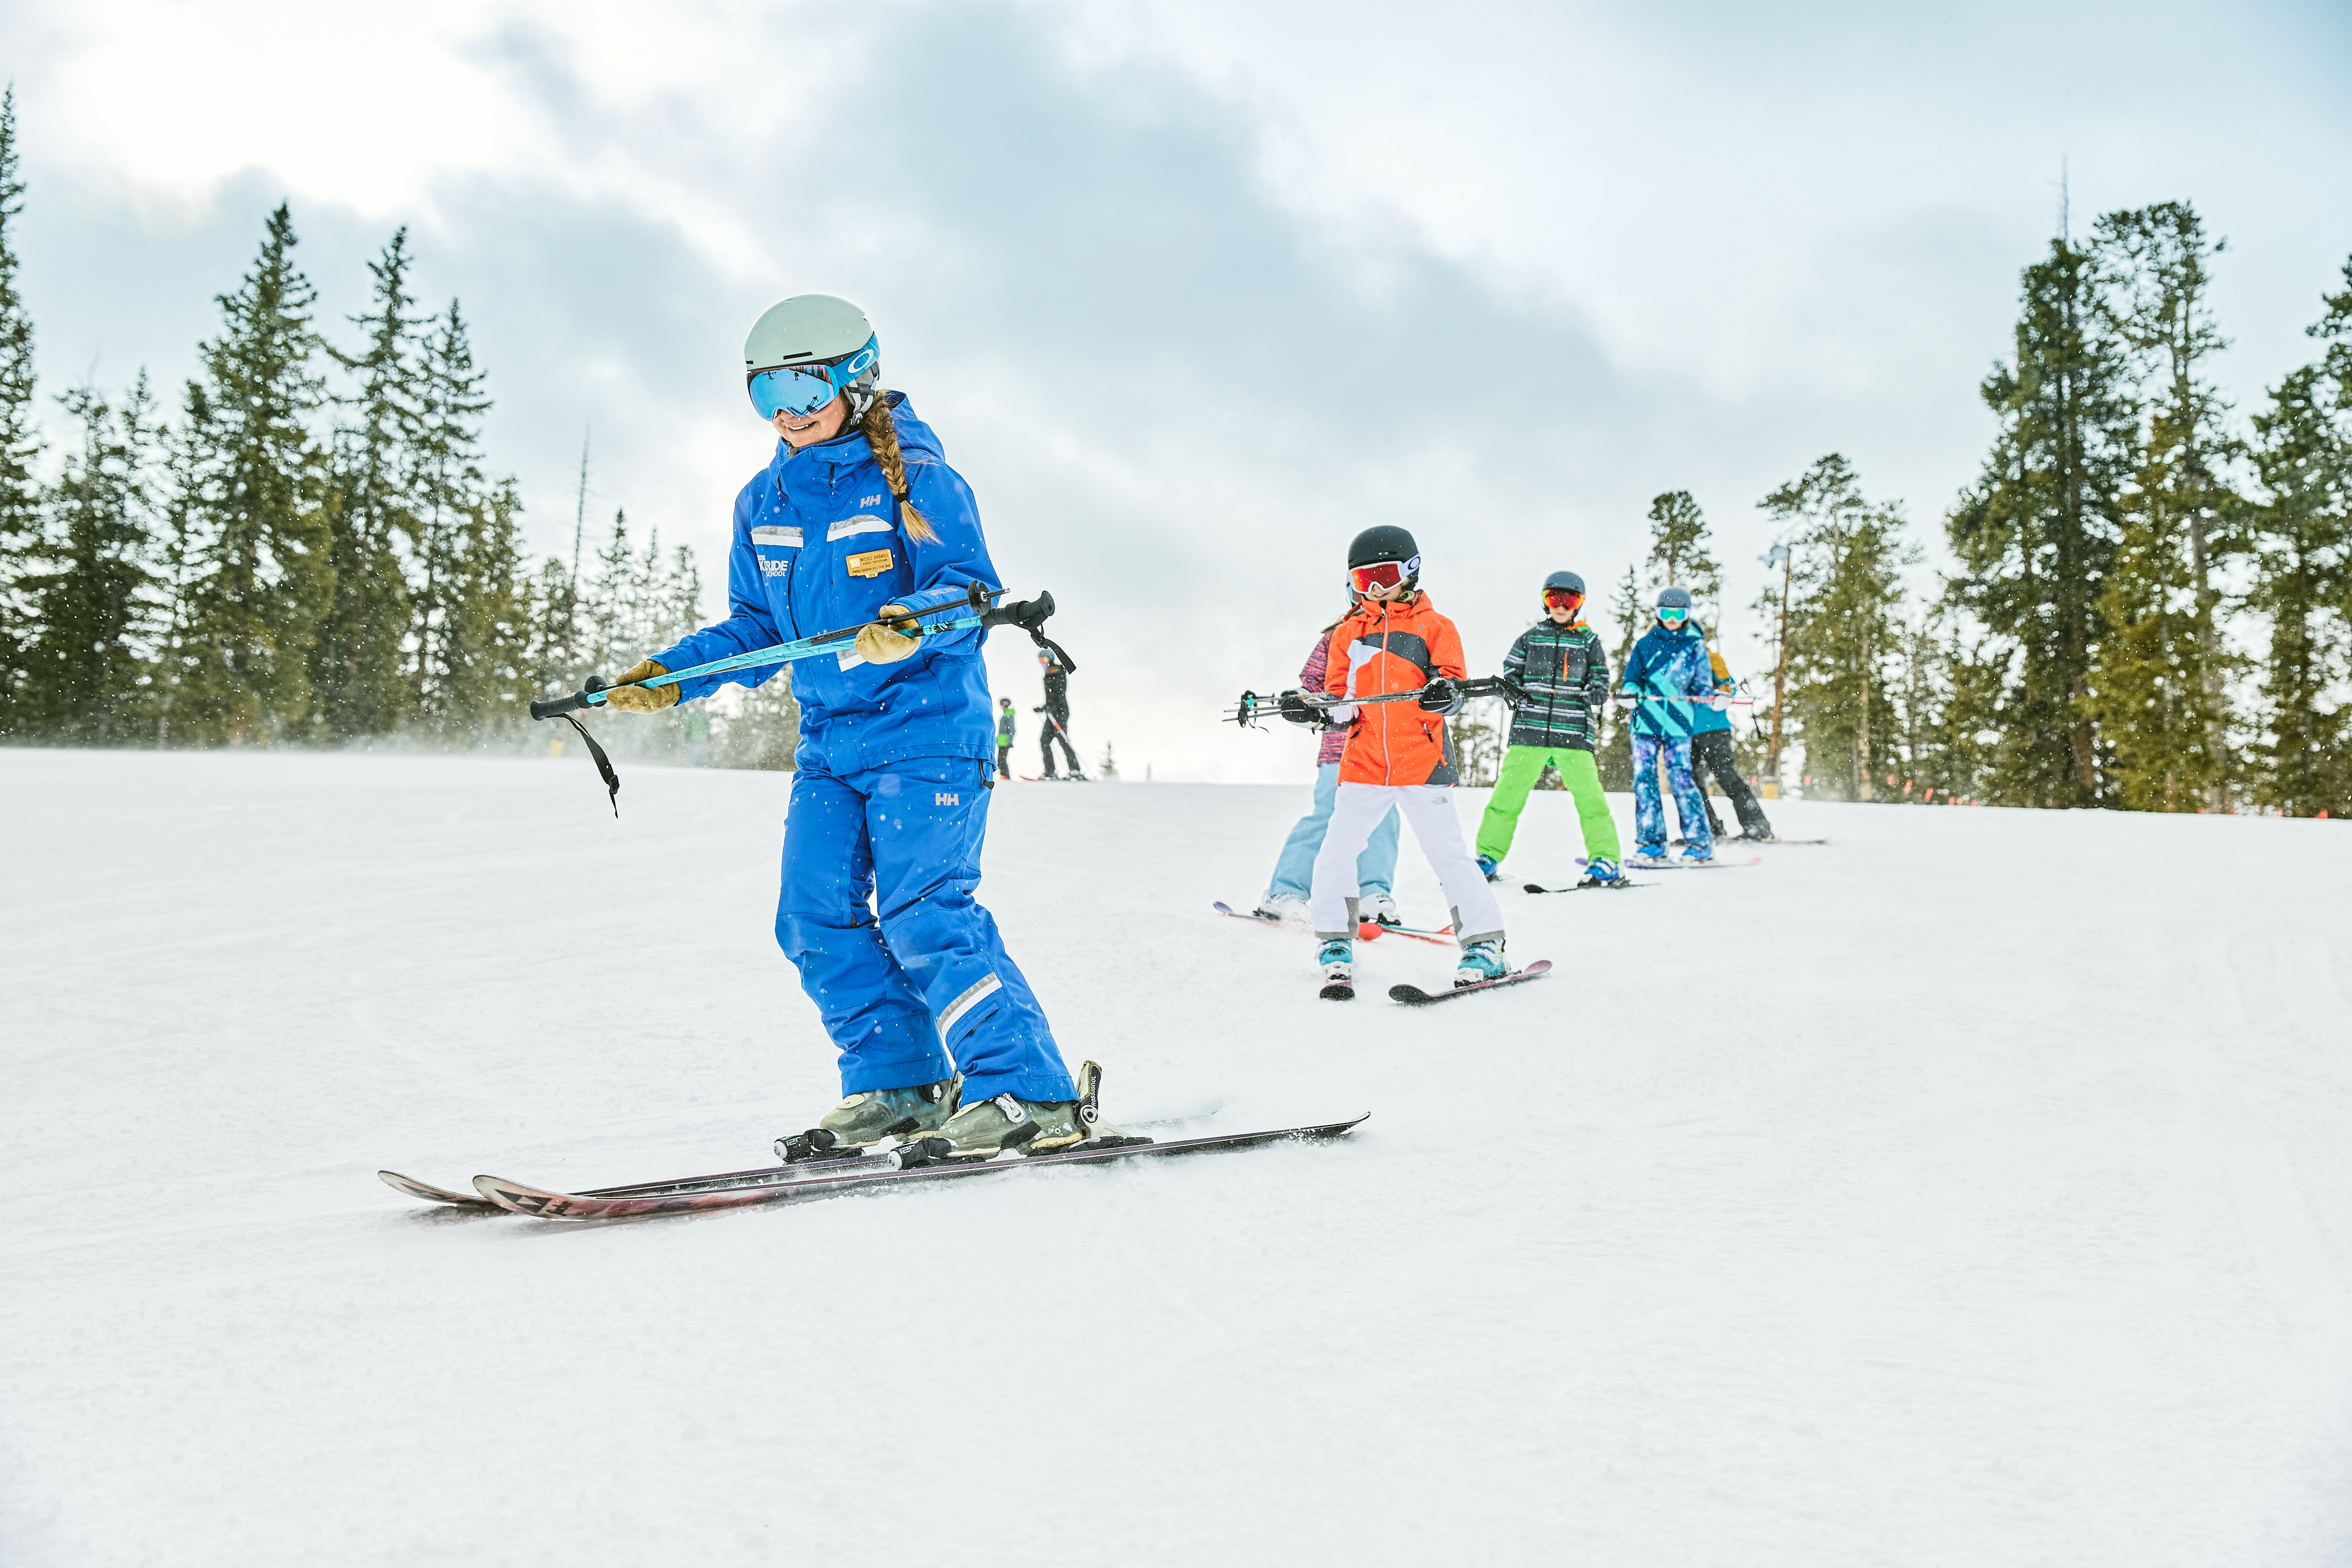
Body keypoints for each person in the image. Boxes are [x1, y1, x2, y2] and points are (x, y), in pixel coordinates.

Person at [595, 293, 1105, 1160]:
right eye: (766, 395)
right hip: (831, 740)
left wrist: (915, 616)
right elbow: (760, 629)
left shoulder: (919, 477)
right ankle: (899, 1081)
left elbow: (968, 589)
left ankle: (1029, 1089)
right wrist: (675, 676)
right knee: (811, 914)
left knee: (922, 914)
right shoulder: (763, 500)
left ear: (858, 380)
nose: (789, 412)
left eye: (805, 387)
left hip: (927, 728)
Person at [1305, 525, 1508, 993]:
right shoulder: (1348, 634)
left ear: (1411, 572)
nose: (1375, 589)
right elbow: (1342, 705)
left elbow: (1452, 690)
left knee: (1449, 856)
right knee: (1336, 852)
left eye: (1384, 575)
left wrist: (1443, 694)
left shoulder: (1436, 627)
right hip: (1366, 763)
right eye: (1363, 580)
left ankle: (1486, 943)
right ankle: (1334, 939)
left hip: (1423, 760)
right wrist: (1312, 708)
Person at [1473, 570, 1626, 886]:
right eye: (1554, 599)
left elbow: (1600, 674)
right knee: (1507, 796)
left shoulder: (1588, 640)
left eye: (1569, 600)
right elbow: (1511, 669)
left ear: (1579, 605)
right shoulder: (1531, 637)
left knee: (1590, 799)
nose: (1561, 606)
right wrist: (1513, 687)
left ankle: (1606, 859)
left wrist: (1597, 689)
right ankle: (1487, 857)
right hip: (1530, 730)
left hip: (1573, 733)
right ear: (1546, 602)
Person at [1257, 615, 1403, 924]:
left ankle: (1373, 894)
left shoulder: (1402, 635)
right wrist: (1299, 699)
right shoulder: (1337, 636)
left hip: (1384, 752)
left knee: (1383, 819)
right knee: (1326, 816)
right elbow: (1311, 684)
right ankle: (1285, 891)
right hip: (1340, 748)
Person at [1618, 586, 1719, 862]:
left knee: (1681, 778)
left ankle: (1699, 842)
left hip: (1678, 724)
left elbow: (1702, 685)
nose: (1672, 618)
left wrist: (1709, 697)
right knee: (1644, 779)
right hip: (1645, 722)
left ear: (1687, 614)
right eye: (1666, 612)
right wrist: (1630, 693)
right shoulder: (1645, 644)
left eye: (1678, 613)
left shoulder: (1695, 646)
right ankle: (1652, 841)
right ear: (1657, 614)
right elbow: (1632, 679)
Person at [1686, 628, 1775, 841]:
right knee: (1690, 781)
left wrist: (1722, 692)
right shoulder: (1675, 663)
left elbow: (1729, 686)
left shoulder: (1711, 657)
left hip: (1714, 728)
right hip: (1685, 731)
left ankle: (1757, 824)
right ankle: (1708, 827)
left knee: (1725, 775)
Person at [1034, 650, 1086, 780]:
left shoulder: (1059, 672)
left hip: (1061, 712)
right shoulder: (1046, 675)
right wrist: (1044, 708)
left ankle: (1075, 770)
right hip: (1051, 713)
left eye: (1044, 661)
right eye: (1040, 661)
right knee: (1044, 741)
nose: (1043, 664)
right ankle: (1050, 771)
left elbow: (1060, 694)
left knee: (1063, 739)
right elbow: (1051, 697)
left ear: (1050, 659)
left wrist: (1051, 707)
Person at [994, 696, 1016, 779]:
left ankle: (1005, 776)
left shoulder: (1008, 715)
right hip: (1002, 741)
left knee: (1002, 760)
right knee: (1001, 760)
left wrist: (1010, 741)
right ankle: (1004, 776)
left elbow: (1012, 730)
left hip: (1005, 742)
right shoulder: (1006, 714)